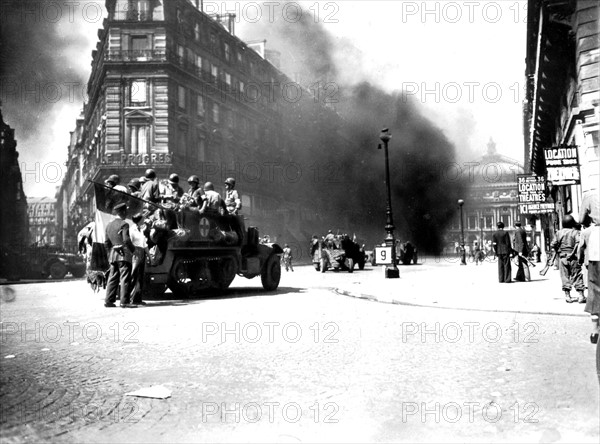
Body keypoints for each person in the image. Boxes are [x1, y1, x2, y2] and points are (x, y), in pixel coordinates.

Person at [104, 203, 136, 308]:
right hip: (124, 255)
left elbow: (106, 243)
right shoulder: (124, 224)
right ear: (122, 212)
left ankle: (108, 301)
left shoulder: (108, 225)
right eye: (125, 211)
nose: (126, 213)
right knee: (125, 278)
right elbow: (126, 240)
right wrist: (133, 250)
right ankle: (124, 302)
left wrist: (111, 253)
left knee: (112, 278)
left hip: (113, 255)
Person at [551, 214, 584, 303]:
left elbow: (553, 244)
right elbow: (578, 244)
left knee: (565, 277)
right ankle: (581, 296)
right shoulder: (575, 232)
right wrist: (573, 253)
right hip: (573, 258)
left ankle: (567, 296)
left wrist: (558, 250)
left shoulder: (559, 233)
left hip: (563, 258)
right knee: (577, 275)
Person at [129, 213, 148, 306]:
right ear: (139, 220)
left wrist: (149, 256)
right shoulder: (132, 230)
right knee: (134, 275)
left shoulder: (141, 229)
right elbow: (130, 242)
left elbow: (144, 244)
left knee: (140, 276)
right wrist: (134, 253)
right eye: (143, 219)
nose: (144, 220)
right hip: (135, 252)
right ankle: (130, 299)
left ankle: (138, 299)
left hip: (142, 253)